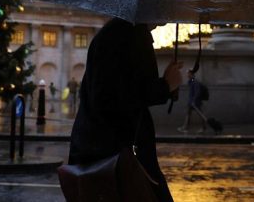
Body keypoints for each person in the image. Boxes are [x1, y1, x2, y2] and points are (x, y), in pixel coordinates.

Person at [68, 18, 183, 202]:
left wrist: (166, 84)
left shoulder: (116, 31)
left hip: (97, 150)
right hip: (119, 155)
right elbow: (117, 96)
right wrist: (165, 85)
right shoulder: (132, 35)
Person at [177, 69, 208, 134]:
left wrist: (194, 100)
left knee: (200, 115)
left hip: (195, 102)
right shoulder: (192, 81)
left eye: (188, 74)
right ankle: (185, 127)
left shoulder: (195, 82)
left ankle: (203, 127)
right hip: (191, 102)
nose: (187, 75)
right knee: (188, 114)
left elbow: (197, 92)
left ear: (191, 74)